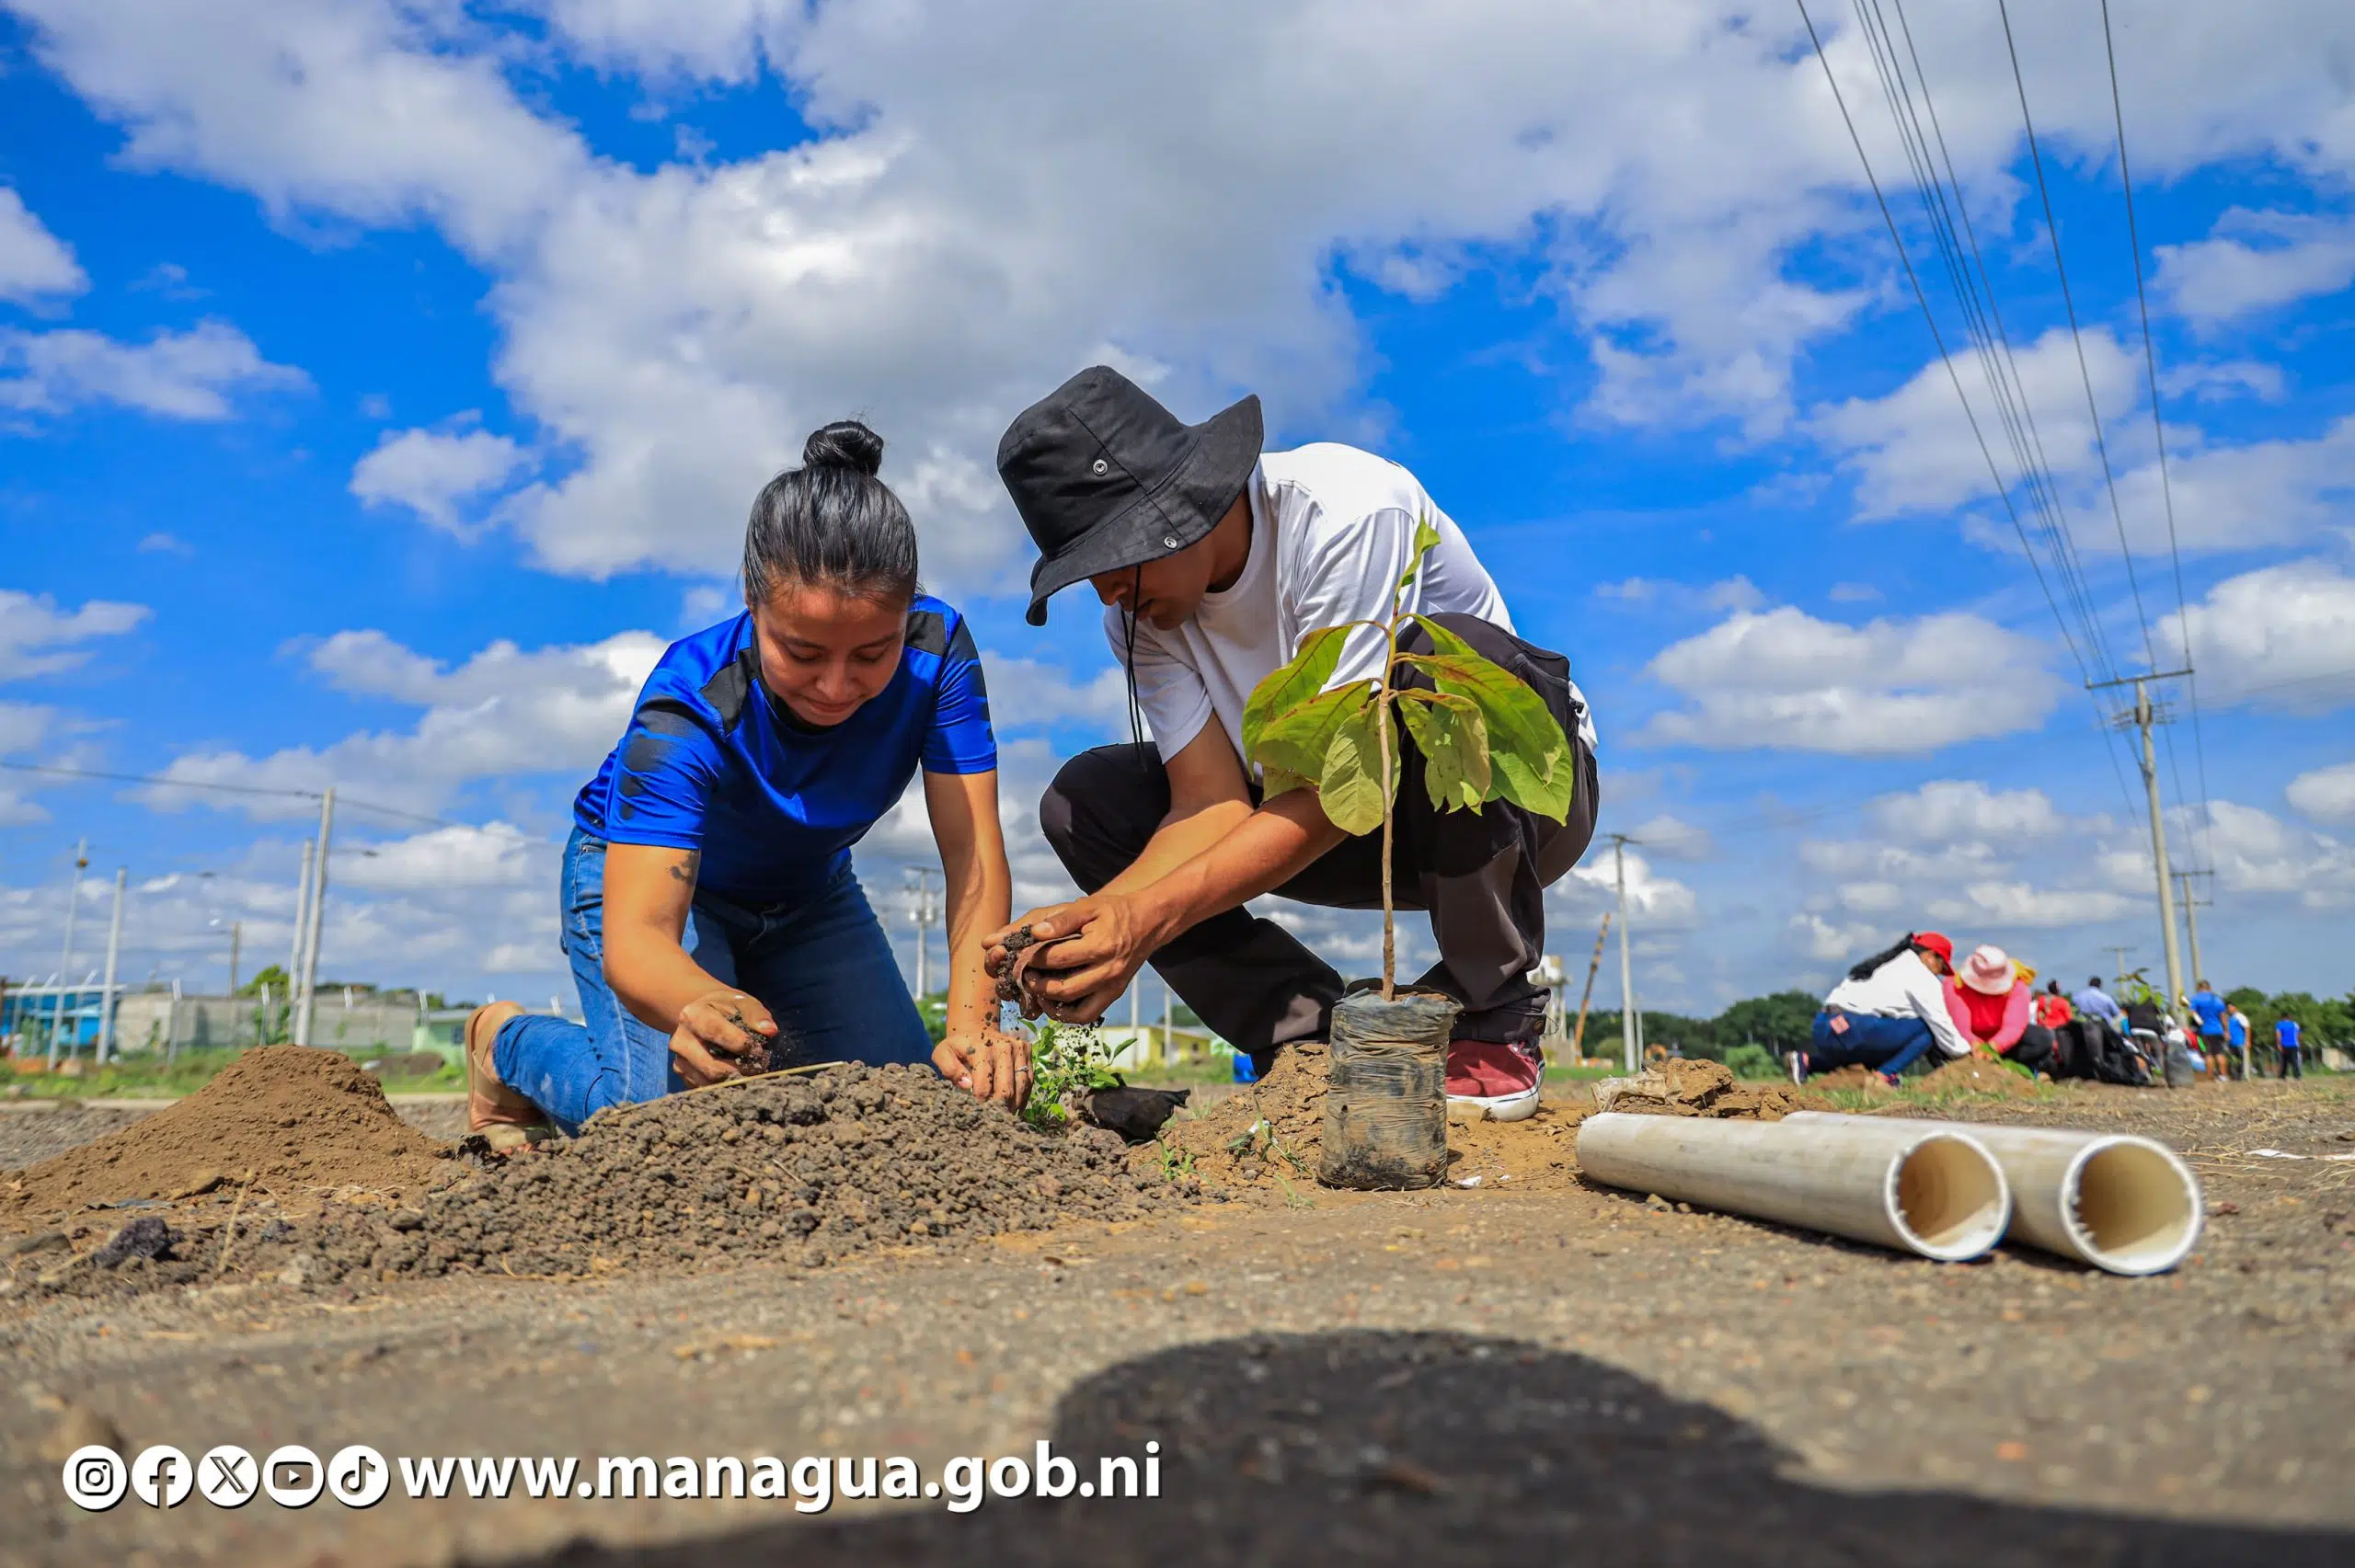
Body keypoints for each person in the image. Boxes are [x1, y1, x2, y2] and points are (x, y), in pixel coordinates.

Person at [985, 366, 1599, 1123]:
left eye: (1115, 561)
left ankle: (1490, 1015)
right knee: (1087, 802)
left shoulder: (1347, 512)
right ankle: (1310, 1040)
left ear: (1177, 511)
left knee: (1443, 662)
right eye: (1087, 575)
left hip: (1515, 805)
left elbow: (1343, 787)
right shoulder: (1142, 620)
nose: (1107, 593)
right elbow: (1209, 804)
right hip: (1327, 824)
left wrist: (1145, 921)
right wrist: (1102, 921)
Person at [463, 422, 1028, 1149]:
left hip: (809, 895)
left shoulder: (937, 649)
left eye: (871, 654)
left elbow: (972, 852)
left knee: (904, 1106)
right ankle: (503, 1043)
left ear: (905, 615)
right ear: (754, 605)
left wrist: (975, 1028)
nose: (836, 686)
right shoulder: (688, 704)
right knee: (671, 1122)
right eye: (803, 652)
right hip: (649, 887)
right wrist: (699, 1002)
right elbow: (639, 938)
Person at [1798, 933, 1969, 1085]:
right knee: (1927, 1028)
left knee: (1875, 1053)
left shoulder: (1887, 963)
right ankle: (1884, 1076)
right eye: (1941, 967)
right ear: (1931, 956)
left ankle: (1807, 1062)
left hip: (1824, 1028)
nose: (1938, 973)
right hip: (1853, 1027)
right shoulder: (1920, 974)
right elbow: (1940, 1023)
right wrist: (1966, 1054)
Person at [1943, 944, 2058, 1075]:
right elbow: (1960, 1024)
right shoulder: (1955, 985)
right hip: (1966, 1043)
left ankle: (2006, 1070)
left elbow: (2014, 1026)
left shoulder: (2017, 987)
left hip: (2004, 1044)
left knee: (2042, 1038)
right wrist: (1974, 1043)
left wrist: (1993, 1047)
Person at [2187, 980, 2230, 1079]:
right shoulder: (2218, 1000)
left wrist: (2199, 1021)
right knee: (2219, 1053)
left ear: (2198, 988)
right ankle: (2223, 1076)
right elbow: (2223, 1017)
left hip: (2203, 1031)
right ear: (2210, 988)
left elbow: (2192, 1013)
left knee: (2207, 1054)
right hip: (2218, 1031)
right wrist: (2226, 1031)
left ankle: (2210, 1077)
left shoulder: (2196, 999)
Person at [2226, 1002, 2252, 1079]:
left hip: (2241, 1042)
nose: (2229, 1009)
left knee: (2243, 1060)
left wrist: (2248, 1041)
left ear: (2235, 1007)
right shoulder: (2229, 1018)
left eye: (2231, 1007)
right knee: (2234, 1061)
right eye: (2228, 1008)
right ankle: (2236, 1077)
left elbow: (2247, 1028)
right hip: (2231, 1043)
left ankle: (2245, 1076)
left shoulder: (2240, 1016)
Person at [2277, 1014, 2304, 1080]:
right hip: (2294, 1045)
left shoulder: (2280, 1024)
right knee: (2294, 1060)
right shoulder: (2295, 1024)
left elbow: (2278, 1035)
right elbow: (2299, 1035)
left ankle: (2282, 1076)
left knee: (2284, 1061)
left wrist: (2279, 1044)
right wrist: (2299, 1043)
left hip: (2284, 1045)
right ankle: (2297, 1075)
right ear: (2289, 1018)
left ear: (2282, 1018)